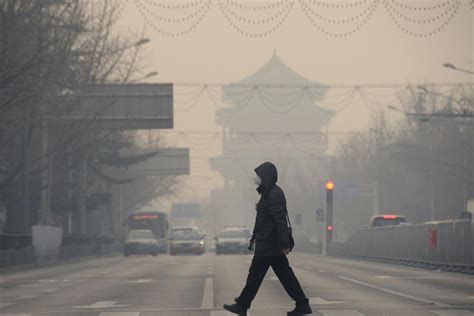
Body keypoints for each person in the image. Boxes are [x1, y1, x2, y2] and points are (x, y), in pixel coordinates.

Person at [223, 162, 312, 316]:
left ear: (266, 177)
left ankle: (243, 305)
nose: (256, 178)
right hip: (269, 243)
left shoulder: (273, 194)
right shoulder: (269, 193)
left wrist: (284, 243)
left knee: (257, 274)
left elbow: (280, 220)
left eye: (258, 175)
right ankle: (302, 304)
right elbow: (271, 218)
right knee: (284, 275)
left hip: (270, 244)